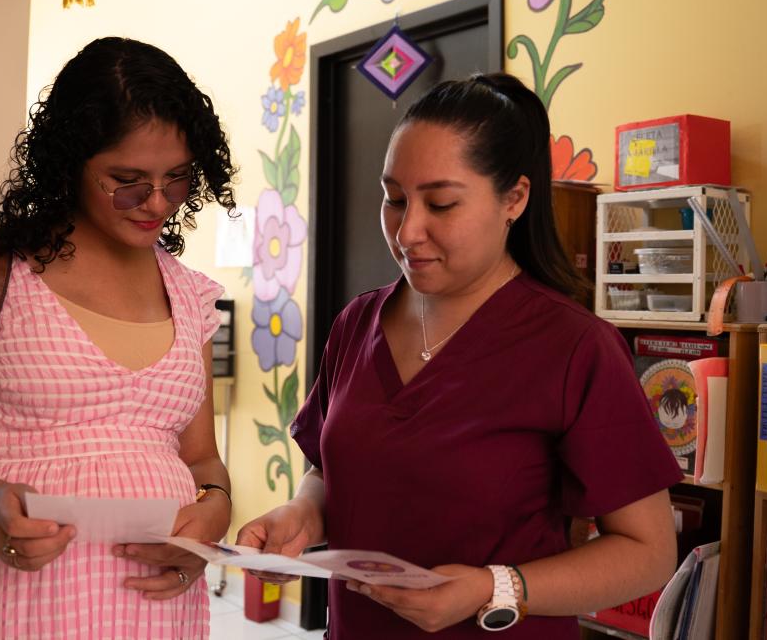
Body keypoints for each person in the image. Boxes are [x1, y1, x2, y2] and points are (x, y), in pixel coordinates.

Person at [238, 73, 681, 638]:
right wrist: (302, 513)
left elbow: (647, 553)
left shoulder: (574, 346)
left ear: (514, 199)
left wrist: (495, 588)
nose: (408, 231)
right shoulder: (357, 323)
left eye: (441, 204)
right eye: (394, 199)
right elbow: (331, 467)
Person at [0, 37, 237, 639]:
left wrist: (215, 511)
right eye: (127, 180)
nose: (156, 202)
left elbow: (200, 458)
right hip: (6, 597)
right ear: (71, 162)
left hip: (152, 610)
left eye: (176, 179)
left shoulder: (191, 297)